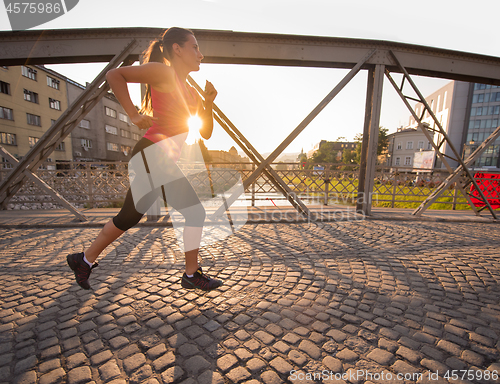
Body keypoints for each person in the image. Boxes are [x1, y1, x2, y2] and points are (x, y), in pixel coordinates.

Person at [67, 27, 222, 291]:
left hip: (158, 158)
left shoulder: (191, 93)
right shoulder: (164, 72)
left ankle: (83, 260)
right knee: (195, 211)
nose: (201, 54)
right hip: (152, 153)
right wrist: (133, 114)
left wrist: (207, 103)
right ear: (177, 49)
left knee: (128, 217)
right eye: (194, 47)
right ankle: (191, 274)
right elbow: (114, 75)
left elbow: (205, 132)